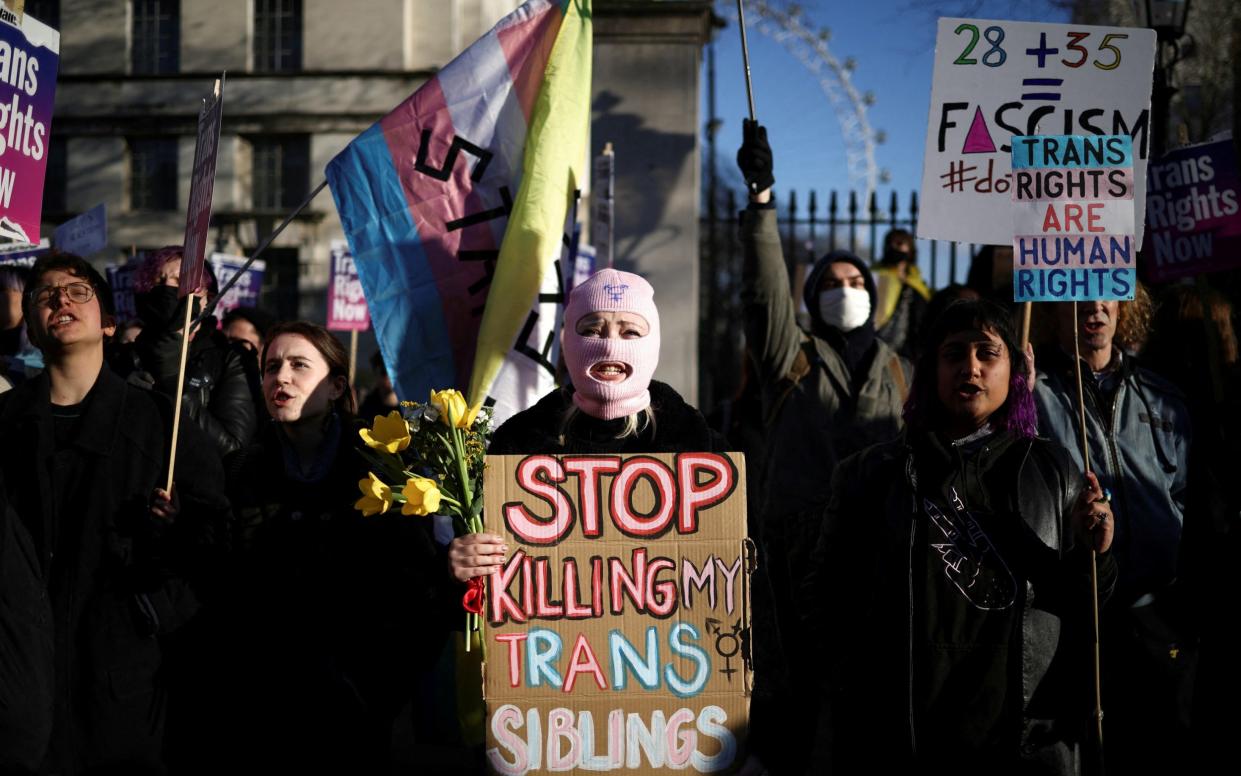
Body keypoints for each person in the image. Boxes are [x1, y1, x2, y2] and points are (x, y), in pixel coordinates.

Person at [804, 298, 1116, 774]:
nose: (970, 366)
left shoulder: (1052, 471)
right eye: (953, 354)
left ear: (1013, 370)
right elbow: (826, 604)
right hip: (902, 742)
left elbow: (1089, 604)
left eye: (987, 353)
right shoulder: (870, 476)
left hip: (1020, 743)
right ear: (930, 370)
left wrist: (1097, 550)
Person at [0, 252, 229, 775]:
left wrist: (157, 596)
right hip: (16, 687)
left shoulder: (160, 428)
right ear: (31, 329)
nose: (61, 299)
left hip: (123, 687)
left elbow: (216, 546)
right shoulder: (5, 425)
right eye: (44, 294)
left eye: (78, 290)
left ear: (107, 322)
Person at [199, 321, 455, 774]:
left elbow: (421, 589)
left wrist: (379, 686)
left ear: (337, 385)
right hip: (268, 709)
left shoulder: (383, 465)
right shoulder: (242, 468)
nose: (281, 378)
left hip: (364, 702)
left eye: (300, 365)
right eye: (272, 366)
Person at [736, 119, 910, 772]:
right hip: (795, 552)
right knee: (794, 696)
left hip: (878, 551)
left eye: (857, 281)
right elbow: (763, 292)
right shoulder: (791, 356)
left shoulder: (901, 370)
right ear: (813, 299)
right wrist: (761, 204)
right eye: (833, 283)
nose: (847, 288)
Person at [450, 266, 726, 575]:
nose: (609, 345)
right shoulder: (516, 444)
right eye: (592, 330)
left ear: (652, 344)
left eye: (630, 331)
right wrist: (460, 567)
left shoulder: (708, 454)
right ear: (569, 342)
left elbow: (746, 587)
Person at [1032, 290, 1193, 775]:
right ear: (1052, 307)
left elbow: (1186, 497)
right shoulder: (1028, 396)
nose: (1094, 305)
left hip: (1155, 620)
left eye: (1107, 291)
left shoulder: (1164, 396)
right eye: (1075, 293)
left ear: (1125, 305)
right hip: (1072, 619)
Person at [111, 246, 262, 458]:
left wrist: (175, 386)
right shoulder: (124, 357)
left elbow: (233, 450)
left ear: (207, 296)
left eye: (179, 282)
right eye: (158, 281)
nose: (167, 288)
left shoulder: (230, 359)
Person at [872, 228, 932, 359]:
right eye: (890, 244)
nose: (893, 247)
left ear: (910, 249)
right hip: (882, 342)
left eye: (899, 244)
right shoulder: (876, 275)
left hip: (912, 348)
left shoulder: (916, 280)